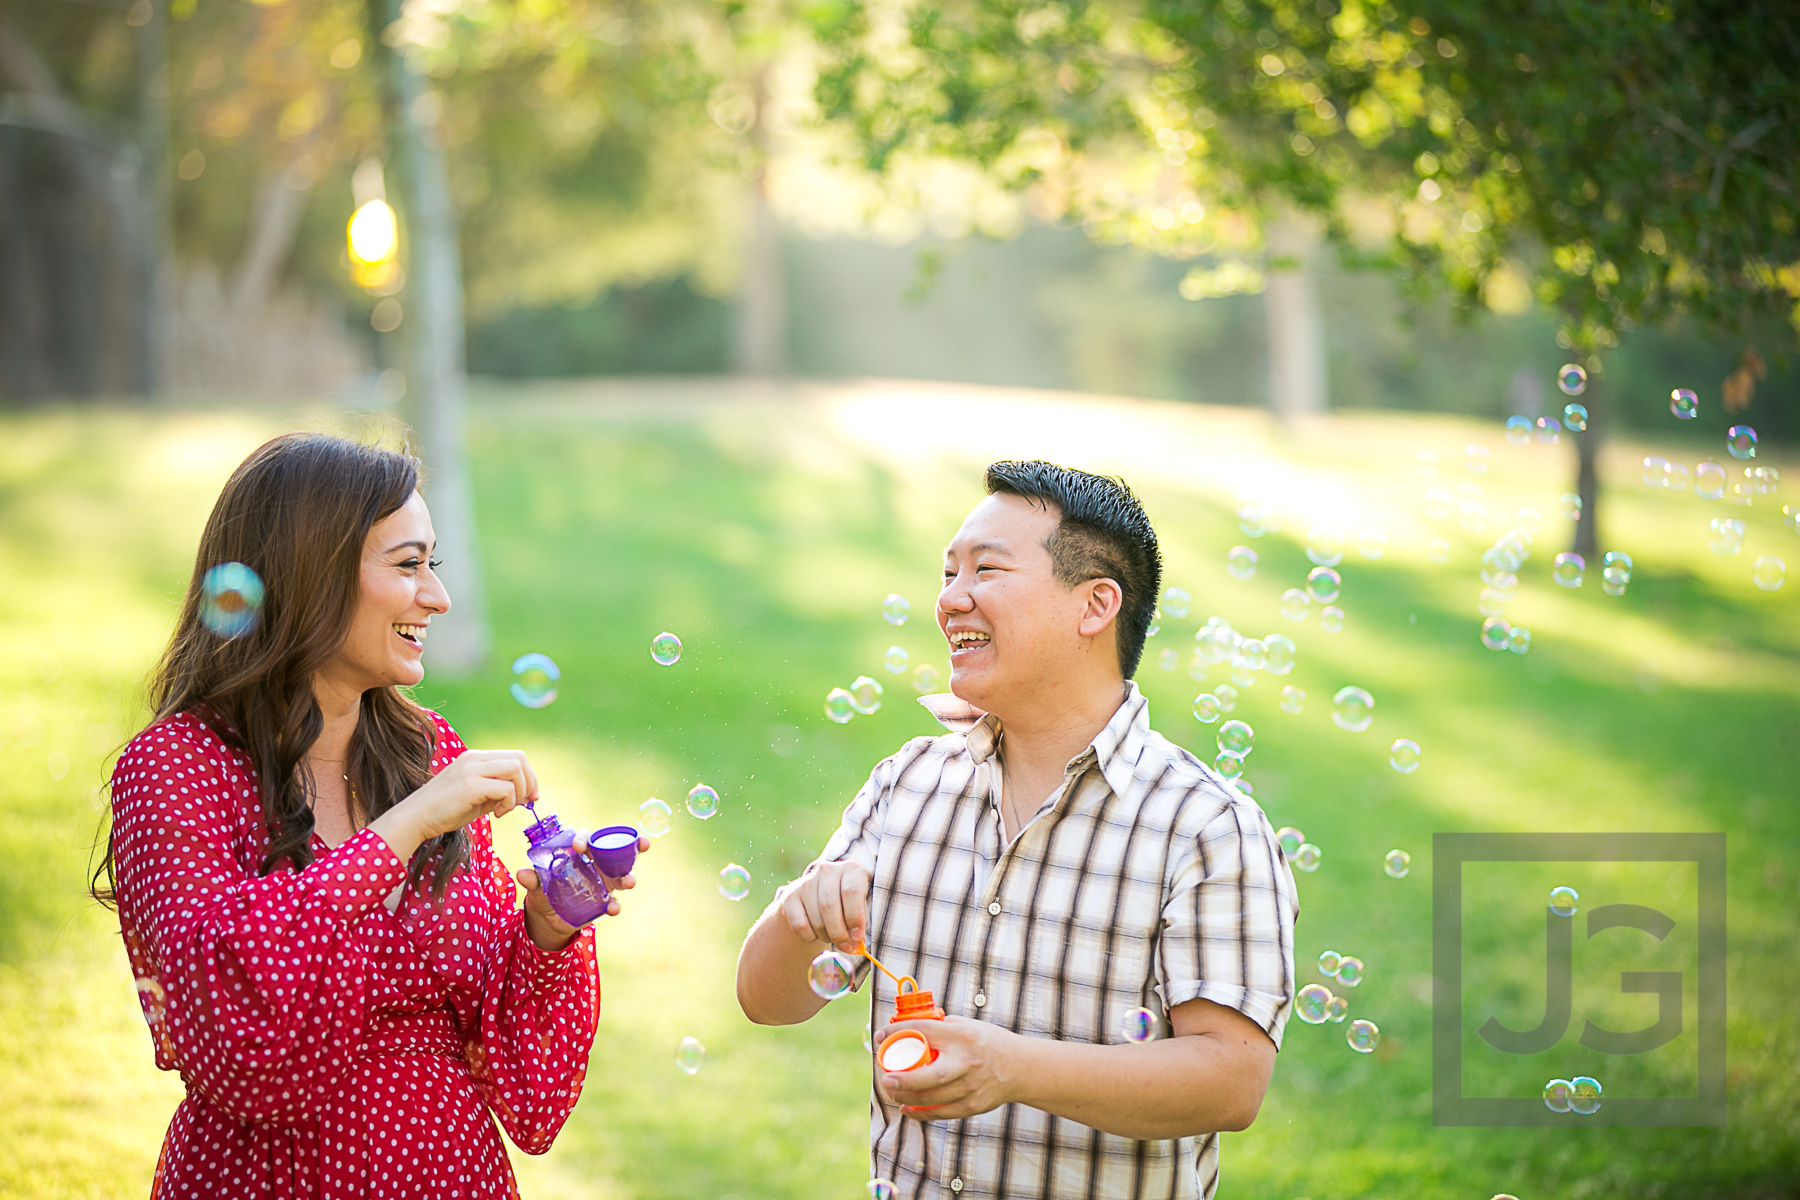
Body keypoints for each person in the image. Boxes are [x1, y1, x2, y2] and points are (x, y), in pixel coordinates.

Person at [92, 433, 643, 1199]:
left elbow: (511, 1070)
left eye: (434, 565)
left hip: (451, 1171)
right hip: (271, 1176)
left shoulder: (428, 754)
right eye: (408, 565)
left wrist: (548, 926)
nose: (437, 596)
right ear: (311, 575)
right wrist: (402, 830)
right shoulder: (176, 768)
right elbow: (226, 1004)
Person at [736, 460, 1296, 1200]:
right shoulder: (909, 782)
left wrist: (1012, 1067)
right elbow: (768, 1001)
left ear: (1095, 605)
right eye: (947, 572)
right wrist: (802, 914)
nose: (949, 600)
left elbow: (1229, 1081)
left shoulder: (1204, 825)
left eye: (986, 570)